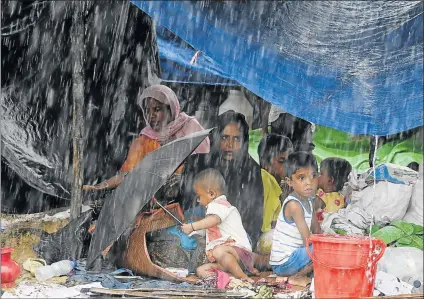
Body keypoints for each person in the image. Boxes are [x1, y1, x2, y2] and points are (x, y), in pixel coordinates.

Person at [82, 84, 210, 191]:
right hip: (156, 205)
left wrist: (182, 179)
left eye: (157, 109)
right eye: (147, 111)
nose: (151, 115)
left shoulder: (190, 128)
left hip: (194, 197)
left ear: (171, 109)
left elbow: (204, 166)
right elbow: (126, 175)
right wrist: (99, 187)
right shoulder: (143, 141)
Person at [180, 111, 264, 248]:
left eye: (236, 139)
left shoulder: (251, 170)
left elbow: (254, 217)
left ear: (244, 142)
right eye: (225, 137)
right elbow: (187, 205)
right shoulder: (198, 163)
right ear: (216, 138)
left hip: (235, 236)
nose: (229, 144)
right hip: (197, 230)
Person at [181, 168, 258, 283]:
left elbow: (213, 220)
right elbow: (209, 230)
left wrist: (193, 226)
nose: (198, 201)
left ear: (211, 194)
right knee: (201, 270)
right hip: (228, 260)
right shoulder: (214, 209)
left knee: (218, 251)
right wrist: (193, 232)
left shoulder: (219, 205)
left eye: (199, 196)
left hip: (239, 253)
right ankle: (230, 278)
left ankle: (243, 278)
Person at [270, 152, 321, 287]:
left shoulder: (309, 201)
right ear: (290, 182)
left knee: (325, 247)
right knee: (320, 249)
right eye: (302, 178)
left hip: (294, 258)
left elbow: (318, 230)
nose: (309, 183)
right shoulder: (294, 205)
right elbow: (308, 240)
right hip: (284, 263)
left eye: (313, 176)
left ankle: (302, 272)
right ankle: (297, 277)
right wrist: (325, 247)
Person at [257, 134, 294, 234]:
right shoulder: (265, 179)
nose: (288, 166)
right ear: (265, 163)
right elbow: (266, 229)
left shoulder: (276, 185)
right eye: (282, 161)